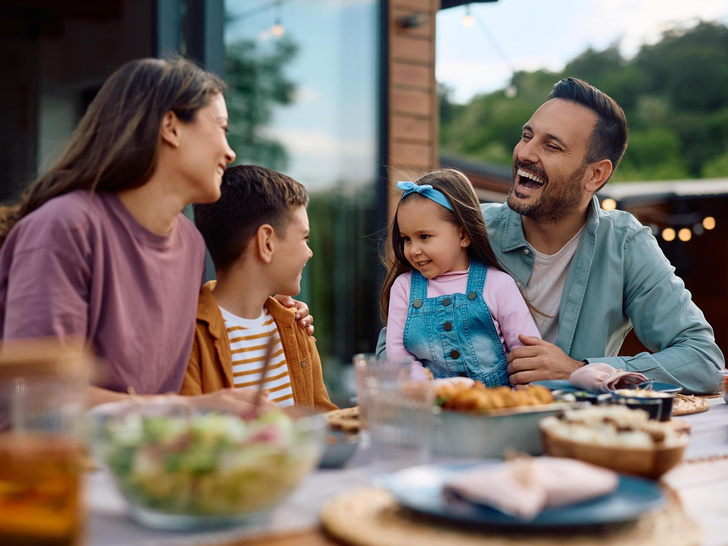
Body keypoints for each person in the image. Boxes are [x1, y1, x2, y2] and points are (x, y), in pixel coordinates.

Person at [0, 57, 311, 413]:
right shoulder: (64, 228)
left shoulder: (189, 245)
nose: (230, 151)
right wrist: (192, 411)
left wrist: (267, 305)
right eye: (221, 127)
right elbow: (40, 399)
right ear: (171, 126)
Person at [379, 77, 723, 394]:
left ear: (595, 175)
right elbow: (391, 349)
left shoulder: (625, 244)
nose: (525, 153)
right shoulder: (469, 230)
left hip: (576, 437)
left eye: (552, 146)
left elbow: (703, 361)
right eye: (527, 136)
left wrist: (578, 370)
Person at [182, 165, 337, 411]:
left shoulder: (295, 326)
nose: (310, 252)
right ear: (266, 242)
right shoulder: (188, 337)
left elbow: (324, 421)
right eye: (304, 238)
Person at [381, 170, 540, 386]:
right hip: (433, 406)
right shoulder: (404, 287)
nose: (413, 250)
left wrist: (520, 397)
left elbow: (526, 352)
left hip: (493, 408)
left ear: (463, 235)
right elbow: (398, 353)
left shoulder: (499, 285)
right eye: (406, 239)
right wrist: (425, 390)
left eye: (424, 237)